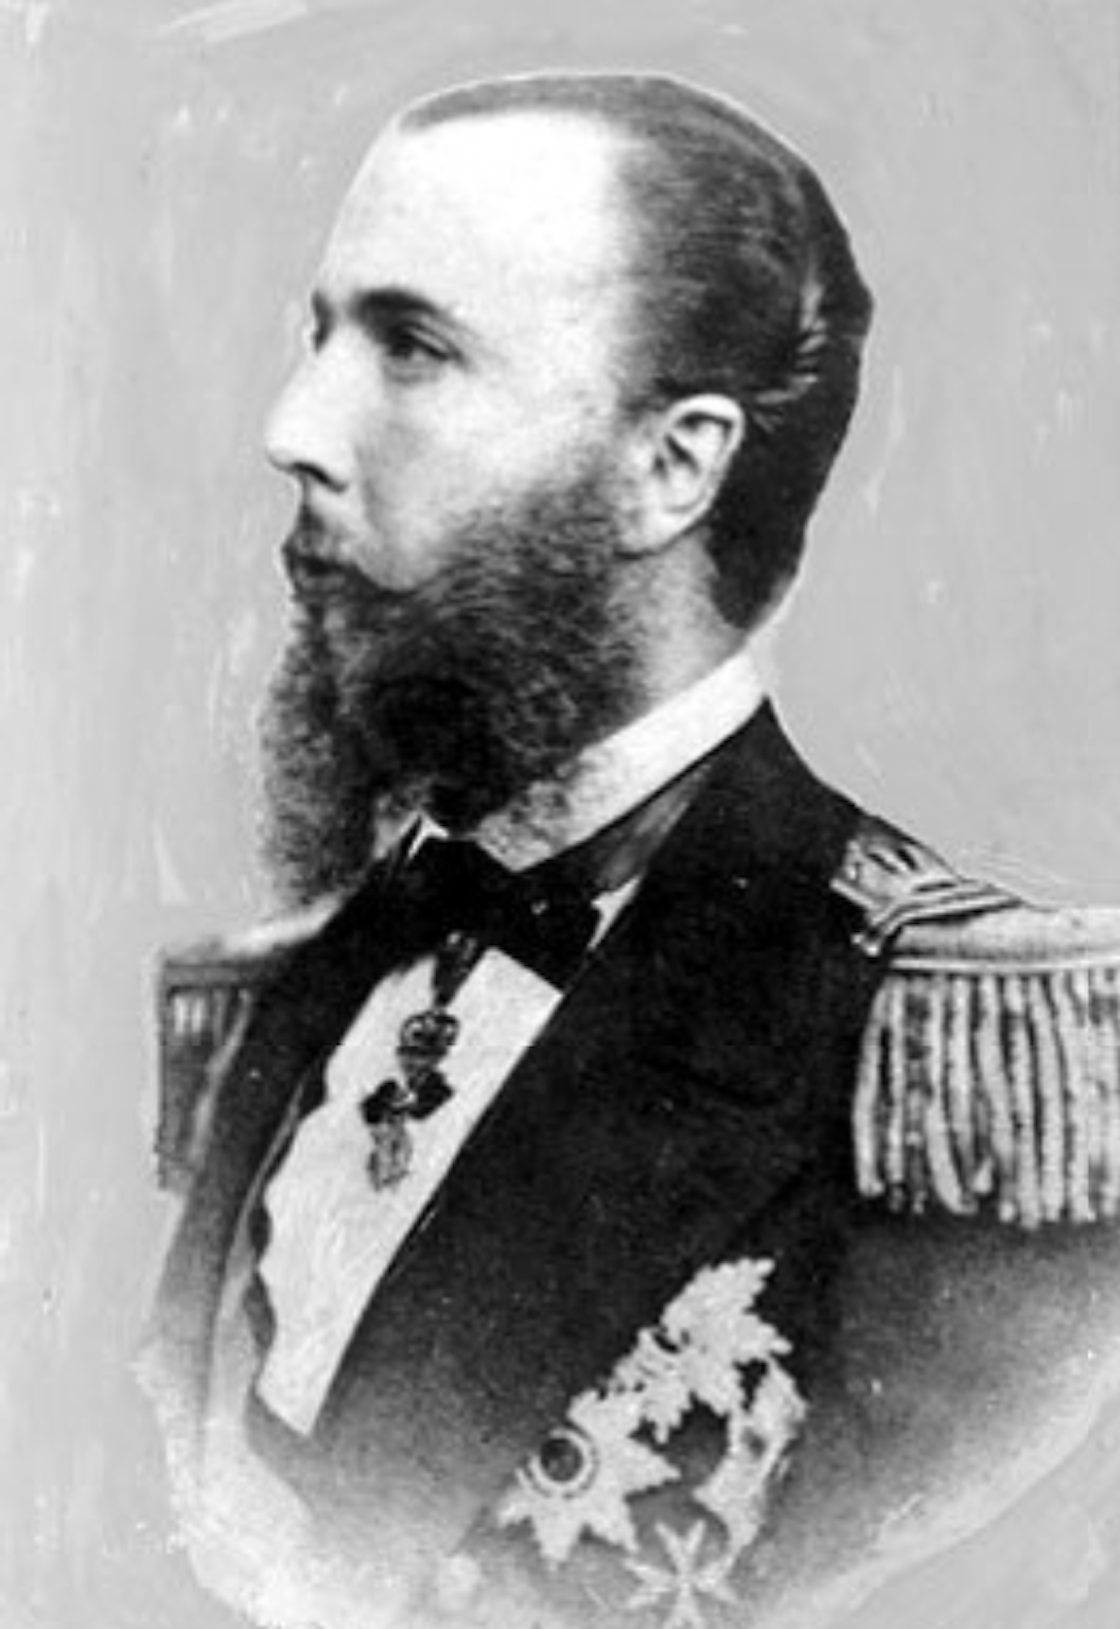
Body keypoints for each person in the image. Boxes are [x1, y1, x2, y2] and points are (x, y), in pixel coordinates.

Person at [143, 71, 1120, 1629]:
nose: (294, 430)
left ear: (675, 467)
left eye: (413, 348)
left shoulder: (942, 1053)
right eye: (316, 336)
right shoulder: (269, 993)